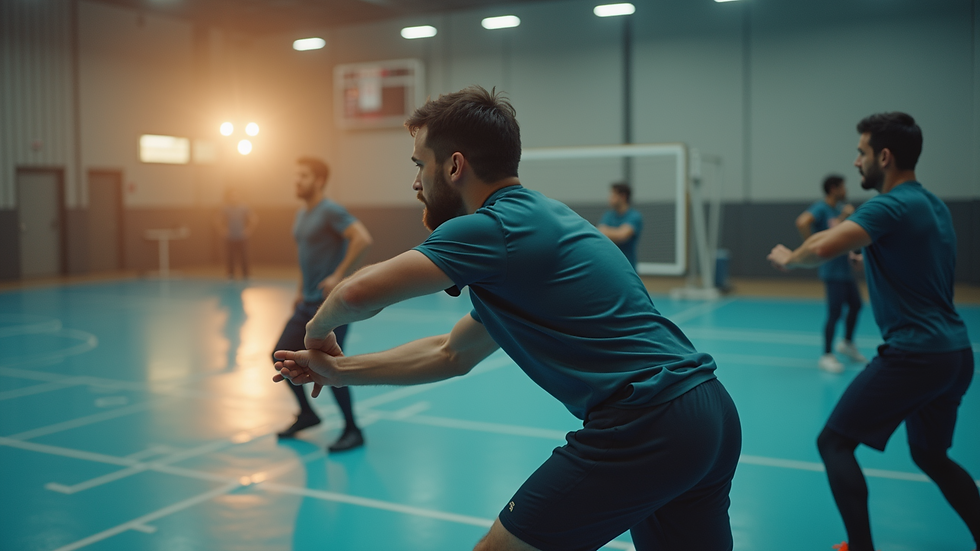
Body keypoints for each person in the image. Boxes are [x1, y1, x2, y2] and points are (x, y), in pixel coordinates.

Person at [273, 86, 741, 551]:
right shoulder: (542, 223)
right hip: (708, 416)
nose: (415, 183)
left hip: (646, 420)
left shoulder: (493, 228)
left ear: (454, 166)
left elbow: (357, 293)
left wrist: (316, 331)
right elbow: (451, 353)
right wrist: (338, 371)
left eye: (419, 165)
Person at [767, 112, 978, 551]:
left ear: (884, 156)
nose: (856, 161)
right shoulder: (932, 204)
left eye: (862, 152)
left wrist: (791, 257)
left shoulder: (888, 204)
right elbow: (924, 263)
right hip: (955, 354)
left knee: (834, 443)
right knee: (930, 455)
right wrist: (877, 259)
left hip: (915, 354)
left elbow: (822, 245)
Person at [274, 156, 374, 452]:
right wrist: (299, 289)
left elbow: (362, 238)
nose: (297, 181)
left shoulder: (330, 210)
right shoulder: (302, 214)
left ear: (318, 180)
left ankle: (352, 429)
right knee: (279, 355)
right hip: (306, 302)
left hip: (331, 307)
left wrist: (338, 276)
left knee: (331, 367)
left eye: (303, 176)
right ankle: (307, 414)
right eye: (296, 176)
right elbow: (307, 256)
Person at [794, 175, 865, 373]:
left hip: (845, 270)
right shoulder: (822, 208)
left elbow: (842, 237)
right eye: (843, 187)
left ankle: (848, 344)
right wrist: (811, 247)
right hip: (832, 271)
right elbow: (802, 222)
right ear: (834, 188)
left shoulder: (838, 210)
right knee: (835, 313)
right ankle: (826, 355)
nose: (846, 191)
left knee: (856, 305)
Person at [597, 182, 643, 271]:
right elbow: (600, 233)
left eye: (613, 195)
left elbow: (622, 235)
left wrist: (609, 232)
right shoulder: (608, 215)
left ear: (623, 197)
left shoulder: (634, 216)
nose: (609, 198)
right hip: (610, 267)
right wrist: (615, 232)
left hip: (628, 268)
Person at [214, 187, 257, 279]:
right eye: (232, 196)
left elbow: (253, 219)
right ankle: (230, 275)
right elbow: (217, 220)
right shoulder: (225, 207)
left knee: (244, 256)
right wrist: (222, 230)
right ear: (229, 197)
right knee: (230, 257)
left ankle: (246, 275)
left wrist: (248, 230)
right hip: (230, 237)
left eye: (236, 195)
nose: (234, 197)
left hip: (242, 237)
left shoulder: (244, 207)